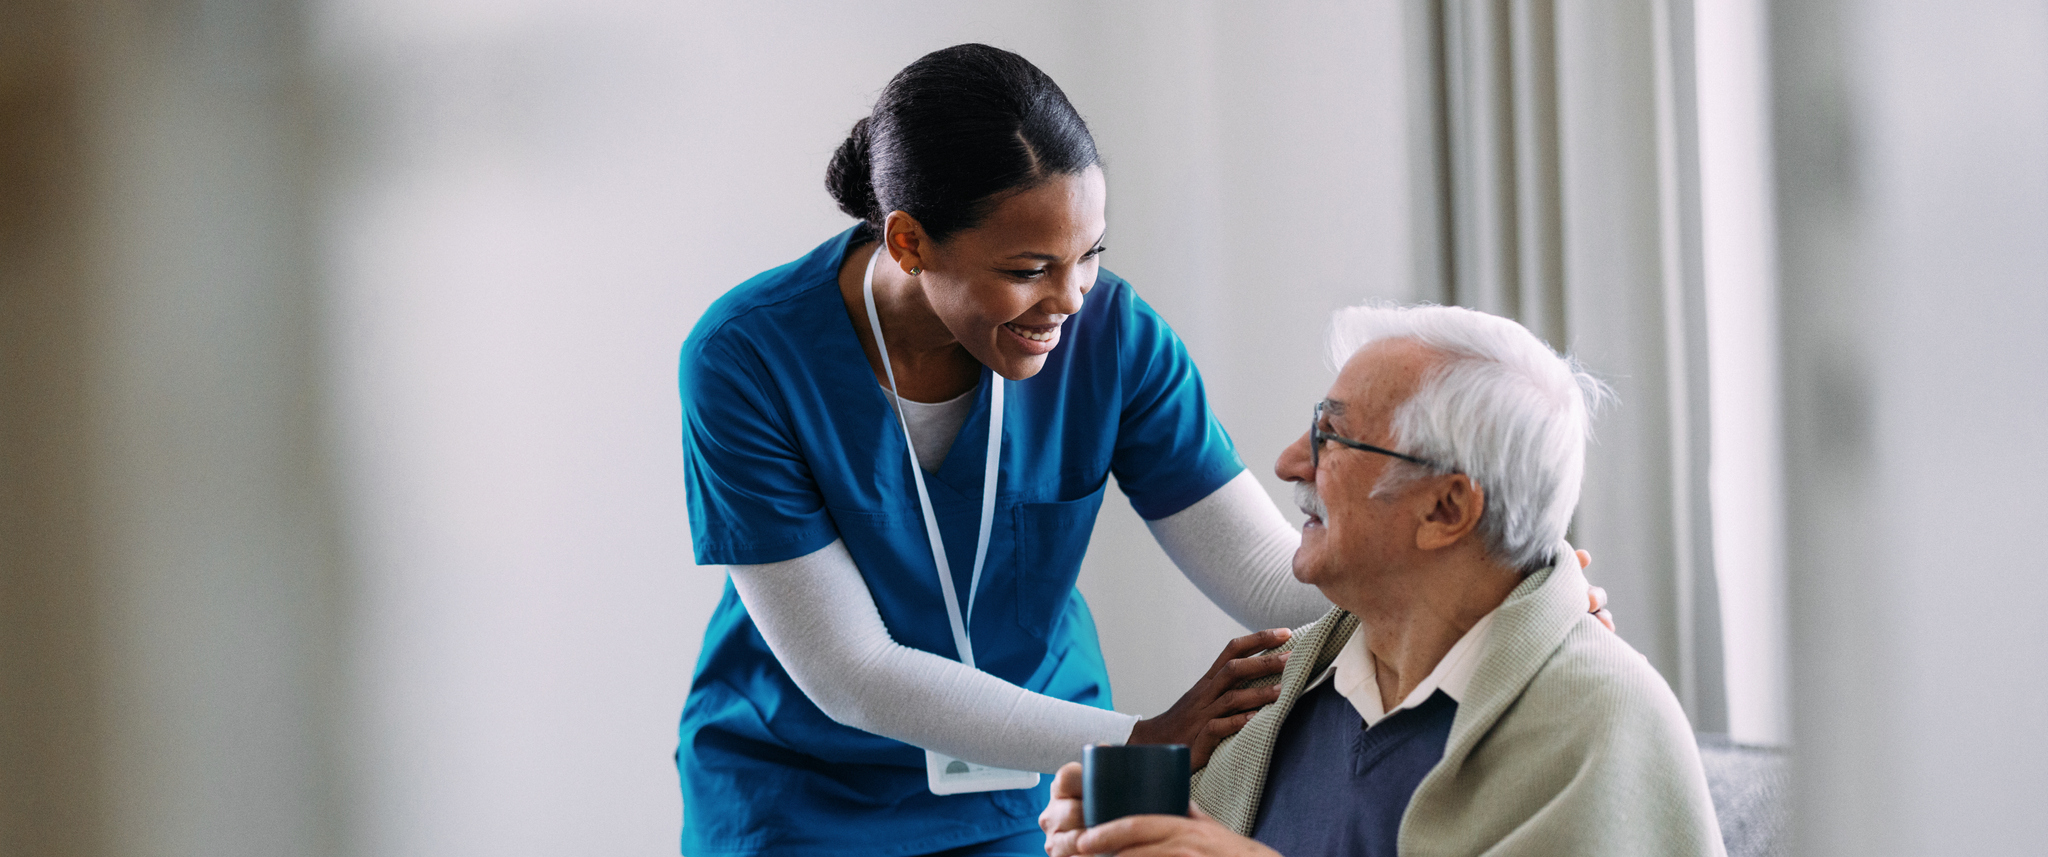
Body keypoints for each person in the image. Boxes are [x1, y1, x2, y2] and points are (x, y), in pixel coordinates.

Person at [676, 45, 1607, 857]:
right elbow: (852, 671)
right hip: (797, 794)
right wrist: (1144, 737)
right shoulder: (748, 358)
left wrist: (1502, 591)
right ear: (911, 242)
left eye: (1087, 255)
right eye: (1027, 269)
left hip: (1029, 792)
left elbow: (1272, 576)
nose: (1071, 298)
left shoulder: (1112, 336)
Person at [1039, 304, 1723, 857]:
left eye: (1332, 438)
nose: (1287, 463)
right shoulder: (1279, 691)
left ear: (1446, 508)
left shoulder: (1601, 721)